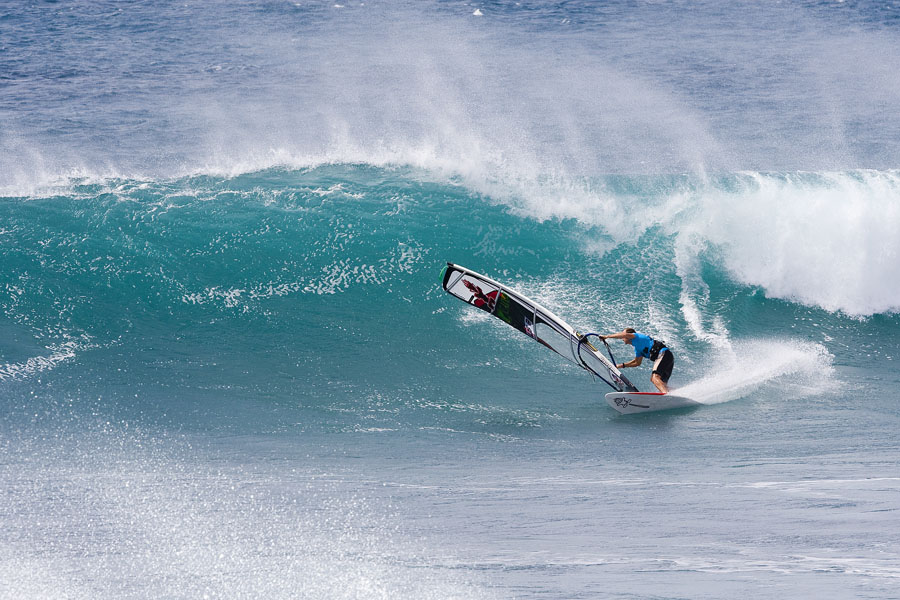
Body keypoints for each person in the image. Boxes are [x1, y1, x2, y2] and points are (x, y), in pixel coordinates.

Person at [599, 328, 673, 394]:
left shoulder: (636, 337)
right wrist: (621, 365)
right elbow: (637, 362)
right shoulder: (637, 349)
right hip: (667, 357)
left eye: (623, 335)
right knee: (661, 383)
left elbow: (624, 334)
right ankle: (675, 393)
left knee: (655, 378)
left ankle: (667, 396)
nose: (622, 338)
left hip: (663, 354)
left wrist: (606, 336)